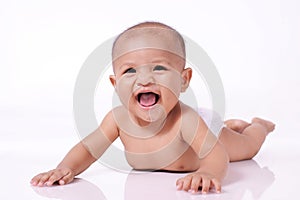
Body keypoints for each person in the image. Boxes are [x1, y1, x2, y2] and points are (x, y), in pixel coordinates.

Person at [31, 22, 275, 194]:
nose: (144, 79)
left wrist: (210, 173)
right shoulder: (117, 119)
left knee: (247, 148)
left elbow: (216, 155)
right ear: (115, 84)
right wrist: (65, 168)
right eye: (130, 70)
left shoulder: (185, 120)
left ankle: (257, 126)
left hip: (211, 132)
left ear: (183, 80)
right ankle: (232, 123)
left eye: (159, 68)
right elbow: (88, 149)